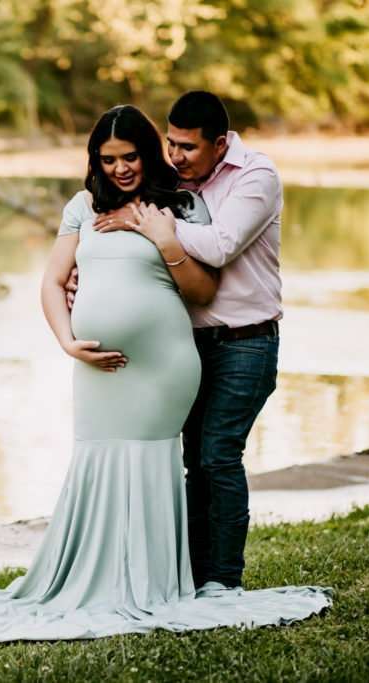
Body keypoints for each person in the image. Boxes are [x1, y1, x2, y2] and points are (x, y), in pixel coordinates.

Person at [0, 105, 329, 644]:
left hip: (164, 368)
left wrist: (157, 234)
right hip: (95, 370)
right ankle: (103, 577)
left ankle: (189, 582)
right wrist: (69, 340)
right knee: (107, 459)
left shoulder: (181, 205)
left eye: (131, 156)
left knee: (193, 460)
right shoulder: (82, 207)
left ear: (148, 154)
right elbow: (52, 281)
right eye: (108, 159)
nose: (120, 169)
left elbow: (205, 291)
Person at [88, 91, 283, 591]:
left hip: (245, 343)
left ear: (219, 144)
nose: (175, 156)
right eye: (170, 144)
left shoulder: (256, 177)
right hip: (185, 348)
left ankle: (224, 582)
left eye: (188, 147)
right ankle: (192, 578)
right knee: (193, 462)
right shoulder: (175, 184)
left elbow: (219, 246)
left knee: (219, 454)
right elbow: (134, 238)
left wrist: (153, 227)